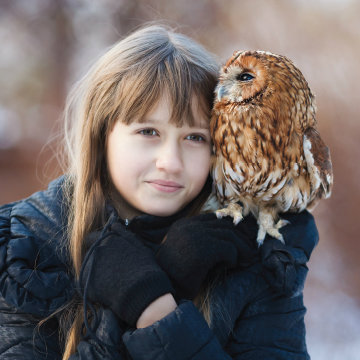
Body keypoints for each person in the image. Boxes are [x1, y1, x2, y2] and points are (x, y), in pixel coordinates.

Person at [0, 24, 318, 360]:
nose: (170, 162)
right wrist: (143, 302)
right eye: (148, 131)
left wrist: (161, 313)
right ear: (101, 134)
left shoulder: (258, 257)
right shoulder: (24, 251)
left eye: (195, 137)